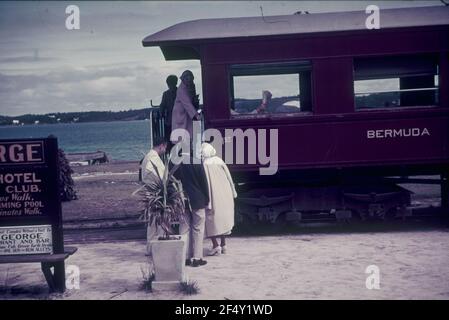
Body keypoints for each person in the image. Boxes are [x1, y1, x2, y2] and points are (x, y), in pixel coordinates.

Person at [172, 148, 210, 267]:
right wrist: (207, 198)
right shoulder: (197, 163)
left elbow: (171, 182)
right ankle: (197, 258)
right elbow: (204, 182)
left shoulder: (176, 165)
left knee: (184, 229)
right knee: (198, 230)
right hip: (198, 200)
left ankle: (185, 258)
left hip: (182, 200)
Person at [201, 143, 237, 255]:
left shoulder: (205, 164)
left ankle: (216, 246)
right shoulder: (219, 160)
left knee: (210, 220)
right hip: (225, 193)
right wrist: (233, 191)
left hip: (214, 195)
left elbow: (206, 182)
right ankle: (223, 244)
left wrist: (207, 199)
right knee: (223, 221)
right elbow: (229, 177)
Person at [140, 136, 168, 255]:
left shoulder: (149, 156)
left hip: (151, 193)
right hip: (155, 194)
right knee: (158, 222)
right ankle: (157, 249)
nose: (165, 150)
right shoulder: (153, 158)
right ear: (161, 145)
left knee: (153, 222)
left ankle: (152, 249)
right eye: (165, 147)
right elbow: (156, 176)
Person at [171, 70, 202, 144]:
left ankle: (188, 149)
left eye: (190, 79)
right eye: (187, 79)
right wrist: (196, 116)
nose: (189, 81)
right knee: (181, 134)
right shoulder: (181, 90)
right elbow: (187, 103)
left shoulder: (191, 86)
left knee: (188, 133)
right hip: (180, 113)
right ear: (183, 79)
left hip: (187, 113)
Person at [159, 75, 178, 141]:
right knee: (170, 139)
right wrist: (161, 112)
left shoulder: (180, 92)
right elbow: (162, 105)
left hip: (178, 121)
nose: (169, 85)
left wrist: (162, 112)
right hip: (170, 121)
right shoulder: (166, 94)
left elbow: (162, 105)